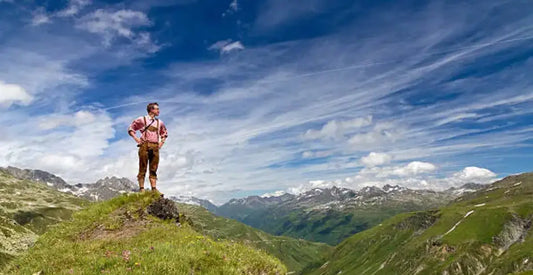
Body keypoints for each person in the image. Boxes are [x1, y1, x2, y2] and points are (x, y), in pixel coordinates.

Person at [128, 102, 168, 194]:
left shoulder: (159, 122)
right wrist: (136, 139)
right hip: (144, 145)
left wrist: (161, 143)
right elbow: (131, 128)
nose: (159, 111)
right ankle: (142, 189)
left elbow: (164, 133)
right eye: (157, 109)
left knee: (154, 168)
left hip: (155, 146)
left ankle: (154, 189)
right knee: (143, 166)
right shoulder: (142, 119)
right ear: (151, 110)